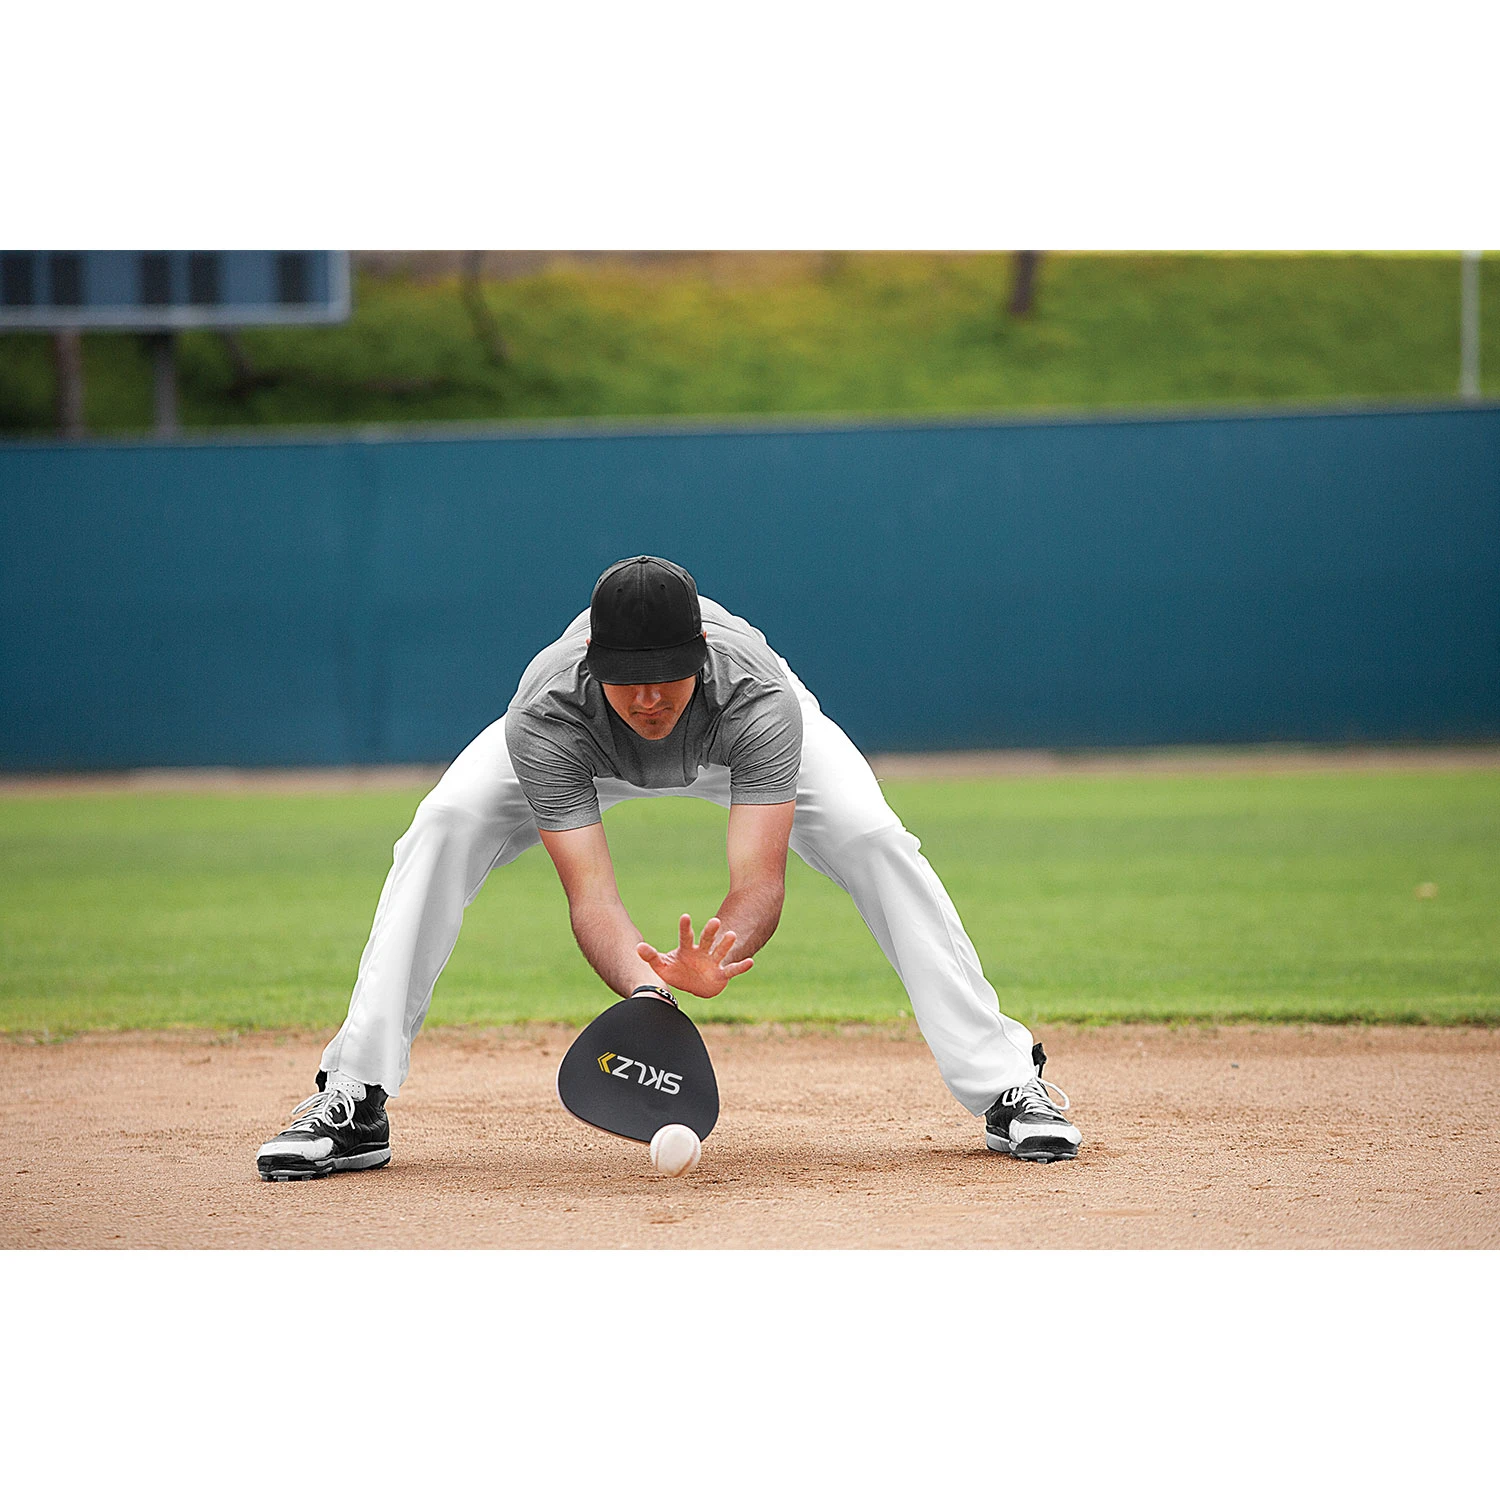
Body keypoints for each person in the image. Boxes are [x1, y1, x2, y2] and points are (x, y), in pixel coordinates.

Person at [255, 556, 1081, 1180]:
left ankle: (1006, 1082)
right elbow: (591, 893)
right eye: (628, 681)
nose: (648, 699)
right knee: (443, 824)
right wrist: (648, 988)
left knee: (874, 838)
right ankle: (355, 1093)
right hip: (584, 746)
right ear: (593, 662)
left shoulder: (757, 699)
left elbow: (759, 881)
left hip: (730, 737)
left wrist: (719, 952)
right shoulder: (549, 711)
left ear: (701, 654)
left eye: (665, 678)